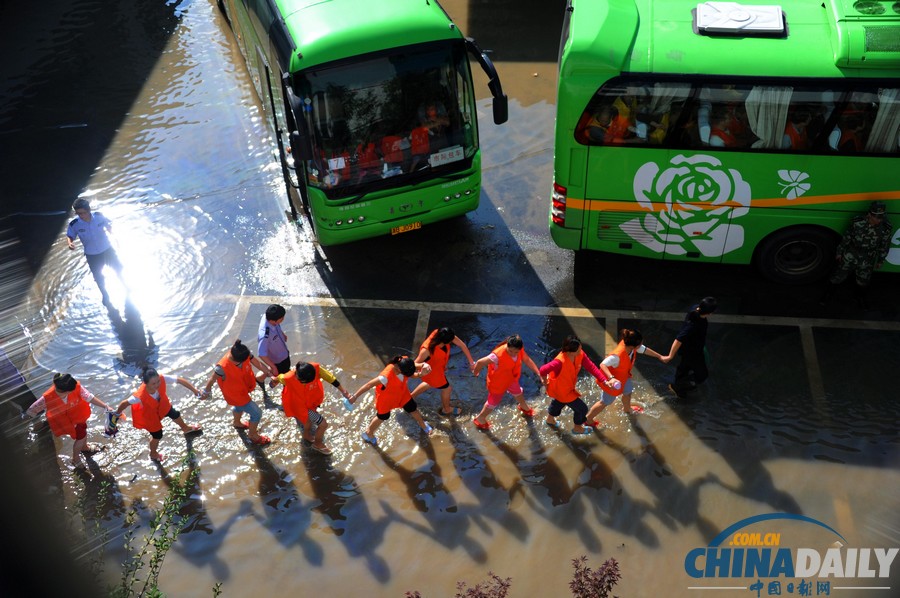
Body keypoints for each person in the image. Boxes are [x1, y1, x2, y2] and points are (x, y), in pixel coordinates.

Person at [23, 373, 114, 469]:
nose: (76, 390)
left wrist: (105, 406)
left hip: (79, 417)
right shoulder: (47, 398)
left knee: (82, 432)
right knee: (81, 437)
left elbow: (89, 397)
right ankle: (76, 459)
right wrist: (27, 422)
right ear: (66, 391)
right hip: (66, 422)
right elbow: (32, 410)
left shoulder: (75, 387)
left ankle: (84, 447)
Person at [114, 366, 202, 463]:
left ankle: (185, 428)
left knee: (175, 414)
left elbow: (179, 380)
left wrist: (195, 391)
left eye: (158, 382)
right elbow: (124, 403)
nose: (157, 385)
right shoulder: (139, 396)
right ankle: (153, 453)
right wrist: (117, 413)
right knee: (157, 435)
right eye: (153, 384)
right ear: (145, 383)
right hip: (150, 416)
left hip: (163, 406)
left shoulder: (162, 378)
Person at [346, 355, 434, 446]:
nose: (411, 376)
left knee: (412, 408)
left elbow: (414, 367)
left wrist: (423, 366)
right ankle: (368, 433)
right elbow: (368, 385)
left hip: (402, 393)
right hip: (386, 399)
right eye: (407, 374)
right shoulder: (385, 377)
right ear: (400, 370)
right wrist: (355, 396)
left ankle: (423, 424)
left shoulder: (403, 362)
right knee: (383, 416)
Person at [585, 329, 667, 425]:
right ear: (634, 346)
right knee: (605, 402)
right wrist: (611, 378)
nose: (641, 346)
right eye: (640, 344)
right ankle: (588, 419)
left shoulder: (631, 346)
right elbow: (602, 365)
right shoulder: (617, 356)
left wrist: (660, 356)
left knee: (628, 392)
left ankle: (627, 409)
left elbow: (644, 350)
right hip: (612, 382)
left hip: (624, 377)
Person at [200, 340, 275, 446]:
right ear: (236, 361)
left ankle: (237, 423)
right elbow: (212, 379)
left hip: (244, 388)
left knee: (239, 407)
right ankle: (252, 435)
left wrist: (268, 373)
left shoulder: (242, 353)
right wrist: (206, 391)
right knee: (257, 413)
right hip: (235, 394)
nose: (248, 359)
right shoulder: (222, 367)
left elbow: (257, 363)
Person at [822, 201, 893, 307]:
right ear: (869, 214)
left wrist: (881, 260)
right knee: (838, 275)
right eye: (876, 217)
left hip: (868, 257)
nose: (879, 220)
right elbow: (847, 237)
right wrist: (840, 252)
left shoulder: (885, 228)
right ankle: (828, 295)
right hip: (851, 253)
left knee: (863, 280)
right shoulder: (857, 222)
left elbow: (884, 245)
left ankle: (860, 298)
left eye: (881, 217)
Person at [273, 361, 351, 455]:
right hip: (301, 406)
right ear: (297, 376)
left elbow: (330, 378)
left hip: (312, 402)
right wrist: (274, 380)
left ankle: (306, 435)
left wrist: (343, 391)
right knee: (323, 424)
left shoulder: (316, 369)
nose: (307, 383)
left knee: (307, 421)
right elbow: (278, 378)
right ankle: (317, 444)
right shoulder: (287, 378)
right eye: (304, 382)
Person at [540, 335, 611, 435]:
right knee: (582, 409)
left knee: (558, 402)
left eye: (580, 348)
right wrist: (544, 381)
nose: (580, 352)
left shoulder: (579, 353)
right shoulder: (559, 362)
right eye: (577, 351)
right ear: (568, 351)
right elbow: (543, 370)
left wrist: (603, 380)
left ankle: (550, 420)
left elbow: (591, 367)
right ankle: (577, 428)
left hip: (564, 389)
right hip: (563, 391)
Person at [471, 334, 543, 430]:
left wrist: (539, 373)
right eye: (510, 351)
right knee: (493, 401)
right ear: (507, 346)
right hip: (498, 383)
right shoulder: (496, 356)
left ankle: (524, 407)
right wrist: (476, 372)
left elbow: (527, 360)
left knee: (518, 391)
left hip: (511, 379)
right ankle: (480, 418)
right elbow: (480, 362)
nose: (513, 353)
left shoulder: (519, 350)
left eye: (515, 352)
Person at [65, 198, 125, 306]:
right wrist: (70, 243)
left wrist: (115, 237)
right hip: (92, 255)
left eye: (83, 213)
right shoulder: (75, 224)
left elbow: (109, 226)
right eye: (78, 213)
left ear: (88, 210)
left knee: (118, 269)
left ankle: (125, 286)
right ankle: (105, 294)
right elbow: (70, 235)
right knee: (98, 277)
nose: (81, 216)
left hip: (107, 250)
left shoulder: (99, 216)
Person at [410, 327, 476, 417]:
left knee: (428, 383)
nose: (453, 341)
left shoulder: (442, 334)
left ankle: (411, 397)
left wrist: (472, 362)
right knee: (447, 389)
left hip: (437, 370)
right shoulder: (427, 350)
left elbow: (461, 345)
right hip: (433, 373)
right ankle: (446, 409)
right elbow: (414, 364)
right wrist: (421, 370)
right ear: (445, 342)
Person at [664, 297, 718, 399]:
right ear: (710, 313)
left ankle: (680, 390)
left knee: (683, 369)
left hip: (688, 349)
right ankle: (678, 386)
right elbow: (679, 339)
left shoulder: (694, 309)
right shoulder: (694, 325)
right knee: (702, 375)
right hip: (693, 353)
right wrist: (670, 356)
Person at [257, 304, 290, 397]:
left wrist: (282, 334)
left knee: (282, 373)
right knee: (285, 377)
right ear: (273, 320)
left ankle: (259, 379)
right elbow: (261, 354)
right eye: (281, 318)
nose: (283, 320)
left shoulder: (268, 317)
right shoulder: (264, 334)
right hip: (279, 359)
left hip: (283, 352)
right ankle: (286, 394)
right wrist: (274, 367)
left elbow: (277, 326)